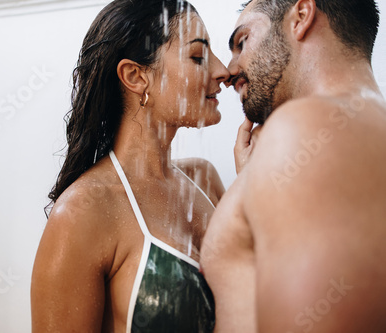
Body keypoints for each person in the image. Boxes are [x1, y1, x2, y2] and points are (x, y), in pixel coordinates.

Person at [31, 0, 231, 332]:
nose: (222, 71)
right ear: (136, 76)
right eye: (198, 57)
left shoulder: (204, 179)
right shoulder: (83, 213)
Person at [201, 0, 386, 332]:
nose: (229, 72)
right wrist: (258, 181)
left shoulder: (306, 129)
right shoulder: (362, 127)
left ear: (301, 16)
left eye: (242, 42)